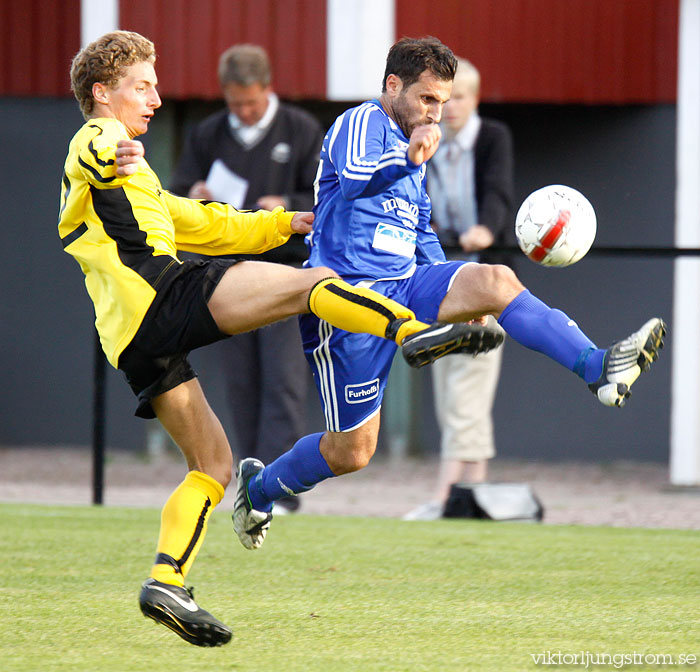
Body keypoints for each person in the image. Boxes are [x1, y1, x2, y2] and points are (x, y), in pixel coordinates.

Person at [60, 31, 501, 647]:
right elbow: (91, 149)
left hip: (133, 340)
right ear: (103, 94)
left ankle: (167, 579)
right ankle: (413, 328)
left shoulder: (137, 179)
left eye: (156, 85)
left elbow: (197, 220)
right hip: (162, 295)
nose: (156, 97)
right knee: (312, 281)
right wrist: (111, 152)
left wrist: (281, 223)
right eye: (143, 85)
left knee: (213, 466)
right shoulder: (102, 140)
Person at [232, 36, 665, 545]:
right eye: (428, 99)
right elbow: (352, 181)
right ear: (393, 86)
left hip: (406, 284)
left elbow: (420, 233)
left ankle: (598, 369)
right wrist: (409, 161)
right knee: (352, 451)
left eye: (443, 101)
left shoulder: (419, 145)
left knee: (496, 280)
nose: (437, 112)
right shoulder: (361, 124)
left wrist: (461, 299)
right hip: (346, 302)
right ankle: (257, 491)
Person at [170, 44, 325, 514]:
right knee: (240, 381)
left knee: (283, 379)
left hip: (285, 269)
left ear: (268, 89)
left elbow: (322, 196)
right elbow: (176, 192)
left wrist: (285, 201)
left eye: (251, 103)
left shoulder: (301, 129)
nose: (243, 111)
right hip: (225, 273)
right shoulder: (208, 133)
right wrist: (194, 195)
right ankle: (249, 478)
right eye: (235, 103)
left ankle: (279, 488)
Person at [404, 58, 514, 521]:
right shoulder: (429, 141)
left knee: (469, 384)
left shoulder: (491, 139)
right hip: (440, 275)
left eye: (460, 99)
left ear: (477, 100)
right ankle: (474, 492)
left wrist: (485, 230)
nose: (449, 110)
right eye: (443, 101)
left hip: (483, 277)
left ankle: (449, 493)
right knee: (450, 383)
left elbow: (498, 192)